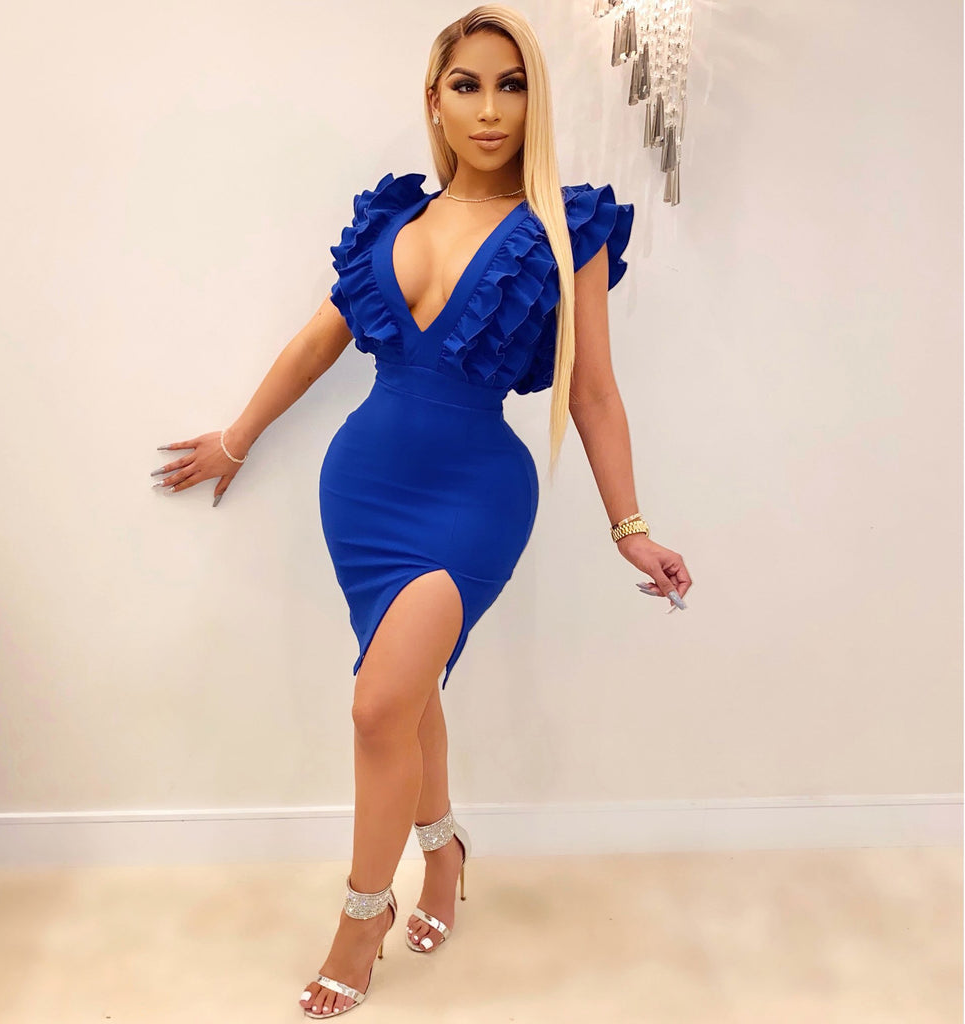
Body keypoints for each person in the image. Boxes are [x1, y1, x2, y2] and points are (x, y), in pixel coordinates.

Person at [151, 4, 692, 1017]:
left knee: (376, 706)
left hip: (475, 497)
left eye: (512, 85)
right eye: (467, 86)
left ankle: (363, 916)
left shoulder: (563, 227)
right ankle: (443, 853)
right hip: (363, 489)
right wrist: (238, 437)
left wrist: (631, 528)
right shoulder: (391, 219)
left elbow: (592, 392)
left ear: (534, 101)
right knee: (405, 697)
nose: (490, 109)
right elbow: (318, 343)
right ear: (435, 101)